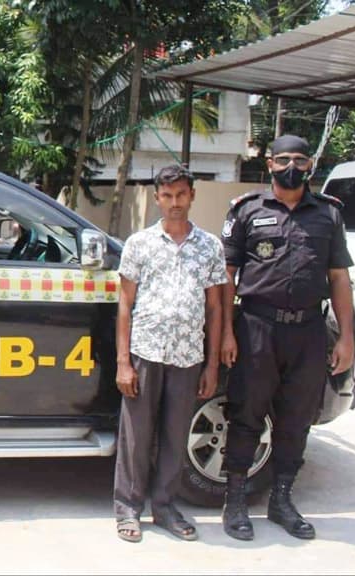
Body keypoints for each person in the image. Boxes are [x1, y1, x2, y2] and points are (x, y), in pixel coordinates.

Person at [220, 135, 355, 541]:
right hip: (257, 326)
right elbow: (227, 275)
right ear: (270, 164)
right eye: (283, 159)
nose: (291, 166)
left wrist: (346, 337)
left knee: (297, 419)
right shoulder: (247, 210)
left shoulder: (328, 215)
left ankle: (281, 500)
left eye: (299, 158)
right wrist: (226, 330)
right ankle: (236, 501)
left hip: (309, 331)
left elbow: (339, 278)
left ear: (311, 164)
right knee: (246, 415)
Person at [113, 164, 227, 543]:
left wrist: (211, 364)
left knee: (176, 435)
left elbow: (214, 308)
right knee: (137, 436)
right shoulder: (139, 244)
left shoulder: (210, 246)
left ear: (192, 195)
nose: (174, 203)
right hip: (145, 352)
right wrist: (124, 362)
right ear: (157, 198)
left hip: (188, 356)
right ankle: (128, 507)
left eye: (181, 195)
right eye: (167, 196)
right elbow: (125, 305)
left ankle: (163, 506)